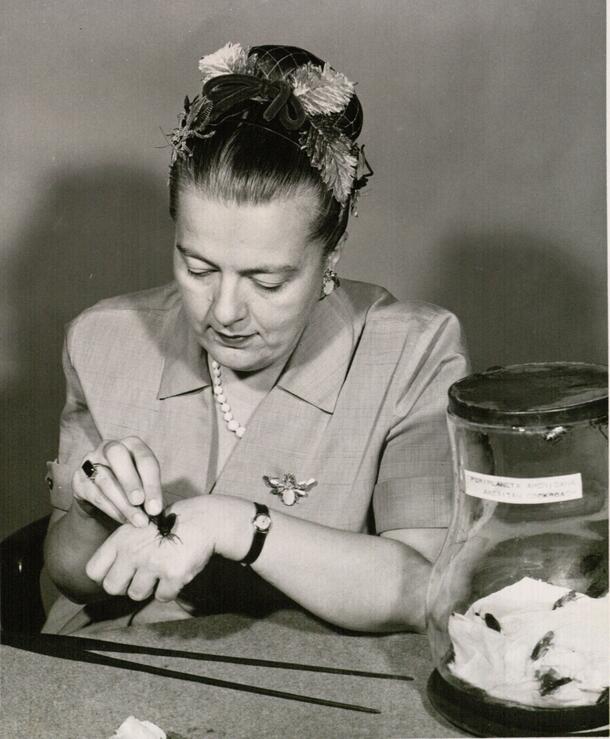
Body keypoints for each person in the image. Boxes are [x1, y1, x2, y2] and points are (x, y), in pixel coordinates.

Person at [43, 43, 469, 636]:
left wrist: (235, 524)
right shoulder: (104, 339)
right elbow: (68, 577)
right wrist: (93, 509)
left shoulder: (412, 352)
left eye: (266, 281)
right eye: (198, 268)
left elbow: (422, 590)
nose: (224, 311)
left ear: (330, 258)